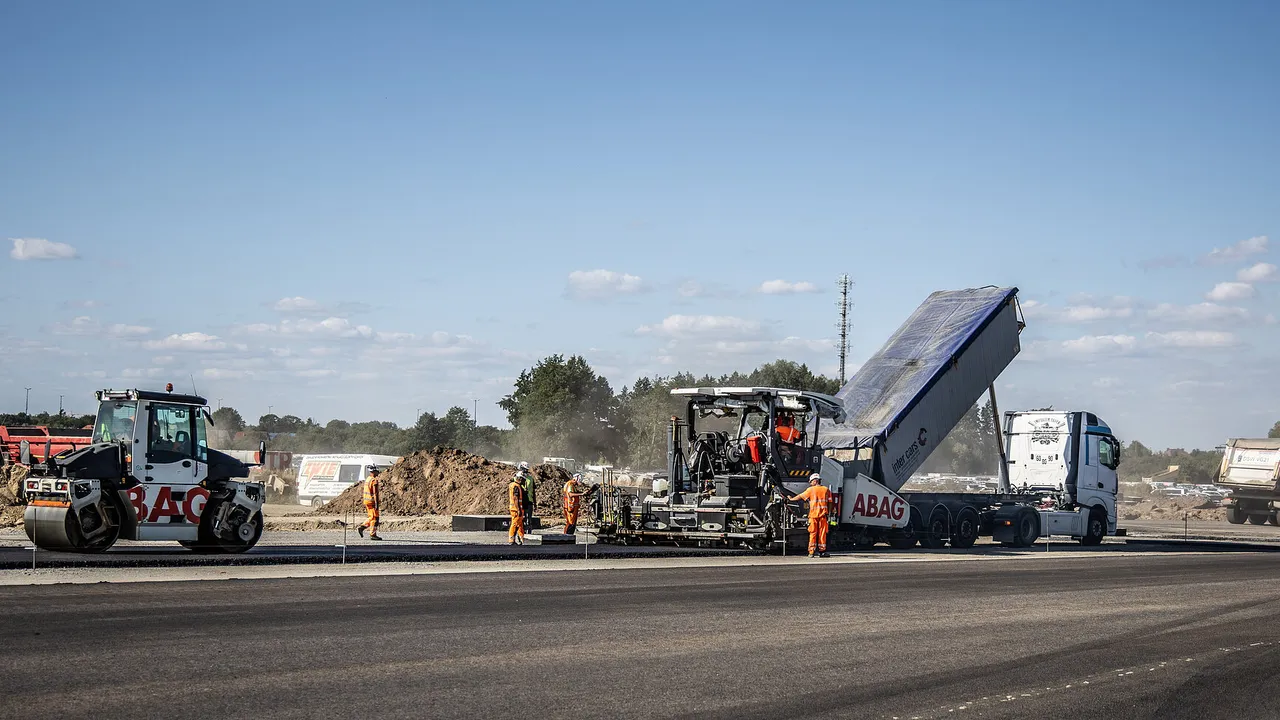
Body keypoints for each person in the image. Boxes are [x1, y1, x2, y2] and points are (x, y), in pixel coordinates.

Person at [790, 473, 834, 558]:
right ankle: (822, 551)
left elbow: (800, 496)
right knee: (822, 534)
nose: (810, 483)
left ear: (815, 481)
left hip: (813, 516)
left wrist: (791, 499)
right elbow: (830, 502)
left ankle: (811, 552)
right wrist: (829, 513)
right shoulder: (826, 490)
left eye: (811, 481)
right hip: (823, 516)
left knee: (813, 533)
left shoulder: (810, 490)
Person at [357, 465, 383, 540]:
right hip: (372, 502)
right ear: (374, 472)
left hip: (367, 501)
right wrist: (377, 504)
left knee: (371, 517)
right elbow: (375, 493)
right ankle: (373, 534)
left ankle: (362, 527)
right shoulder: (374, 480)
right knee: (375, 518)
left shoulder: (368, 479)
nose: (378, 472)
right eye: (377, 471)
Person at [518, 461, 537, 532]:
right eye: (524, 469)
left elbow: (533, 491)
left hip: (529, 501)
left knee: (529, 518)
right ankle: (521, 532)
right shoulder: (517, 478)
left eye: (526, 469)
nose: (525, 471)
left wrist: (535, 503)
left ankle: (529, 532)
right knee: (521, 518)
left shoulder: (530, 479)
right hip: (521, 501)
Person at [508, 472, 526, 545]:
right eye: (523, 479)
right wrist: (518, 509)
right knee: (515, 524)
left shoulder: (515, 485)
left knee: (520, 524)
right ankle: (511, 539)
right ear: (520, 478)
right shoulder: (516, 486)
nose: (524, 481)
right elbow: (516, 498)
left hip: (517, 508)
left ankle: (521, 538)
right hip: (516, 509)